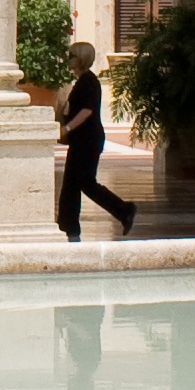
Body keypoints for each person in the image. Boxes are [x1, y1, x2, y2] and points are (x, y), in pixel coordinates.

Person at [56, 38, 134, 242]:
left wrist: (66, 128)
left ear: (80, 59)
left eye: (72, 56)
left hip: (88, 140)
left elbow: (87, 111)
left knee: (84, 183)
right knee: (72, 184)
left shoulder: (89, 81)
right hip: (81, 140)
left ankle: (124, 210)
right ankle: (68, 227)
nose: (68, 59)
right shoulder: (82, 81)